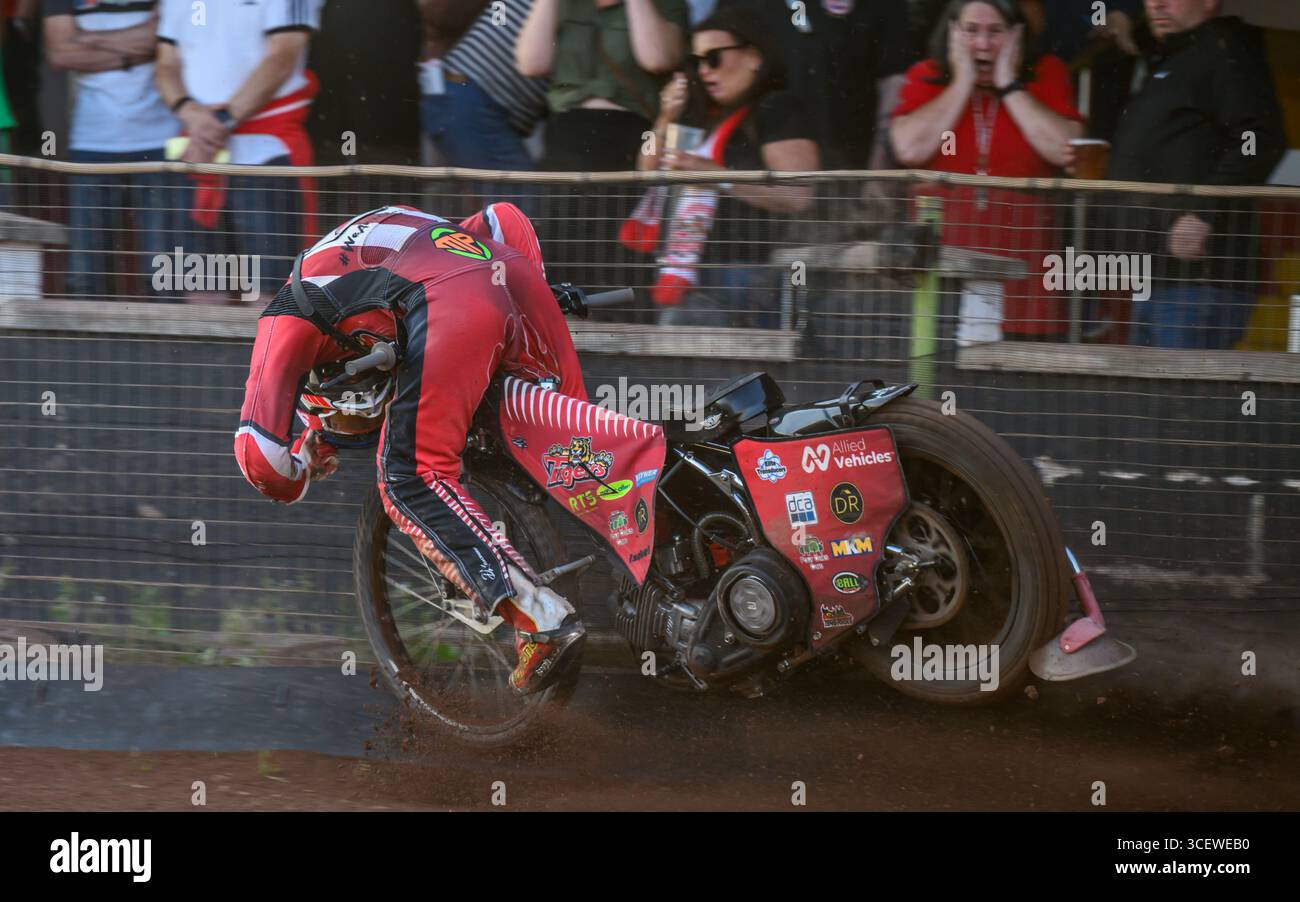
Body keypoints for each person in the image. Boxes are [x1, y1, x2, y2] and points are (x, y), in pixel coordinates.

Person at [233, 202, 588, 695]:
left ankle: (539, 618)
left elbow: (258, 459)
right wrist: (534, 293)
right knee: (585, 460)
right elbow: (503, 219)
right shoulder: (350, 249)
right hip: (515, 278)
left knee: (410, 477)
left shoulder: (283, 320)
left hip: (448, 303)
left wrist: (302, 463)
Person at [890, 0, 1084, 340]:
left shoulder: (1046, 73)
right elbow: (909, 148)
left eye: (996, 32)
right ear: (951, 32)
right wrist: (961, 84)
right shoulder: (927, 75)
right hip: (943, 272)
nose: (982, 44)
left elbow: (1065, 150)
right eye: (971, 31)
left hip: (1024, 275)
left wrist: (1009, 85)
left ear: (1017, 35)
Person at [1105, 0, 1285, 350]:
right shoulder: (1172, 57)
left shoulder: (1225, 48)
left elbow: (1260, 138)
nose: (1156, 3)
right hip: (1158, 278)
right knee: (1145, 401)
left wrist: (1204, 213)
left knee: (1177, 402)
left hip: (1200, 282)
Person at [631, 5, 819, 325]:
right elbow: (647, 172)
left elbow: (799, 195)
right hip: (685, 271)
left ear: (754, 56)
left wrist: (718, 177)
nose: (704, 71)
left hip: (745, 275)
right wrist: (665, 117)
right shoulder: (700, 116)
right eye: (696, 61)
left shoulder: (776, 108)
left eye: (714, 58)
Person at [155, 0, 322, 303]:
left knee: (271, 292)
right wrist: (189, 112)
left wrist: (221, 121)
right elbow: (167, 63)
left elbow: (283, 56)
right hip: (199, 155)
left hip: (266, 155)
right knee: (201, 287)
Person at [43, 0, 178, 301]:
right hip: (91, 144)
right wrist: (137, 49)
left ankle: (167, 349)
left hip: (161, 143)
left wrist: (93, 39)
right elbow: (60, 54)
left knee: (164, 277)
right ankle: (87, 350)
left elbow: (166, 34)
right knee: (85, 276)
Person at [718, 0, 915, 170]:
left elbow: (893, 79)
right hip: (751, 171)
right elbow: (713, 66)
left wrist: (879, 172)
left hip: (845, 172)